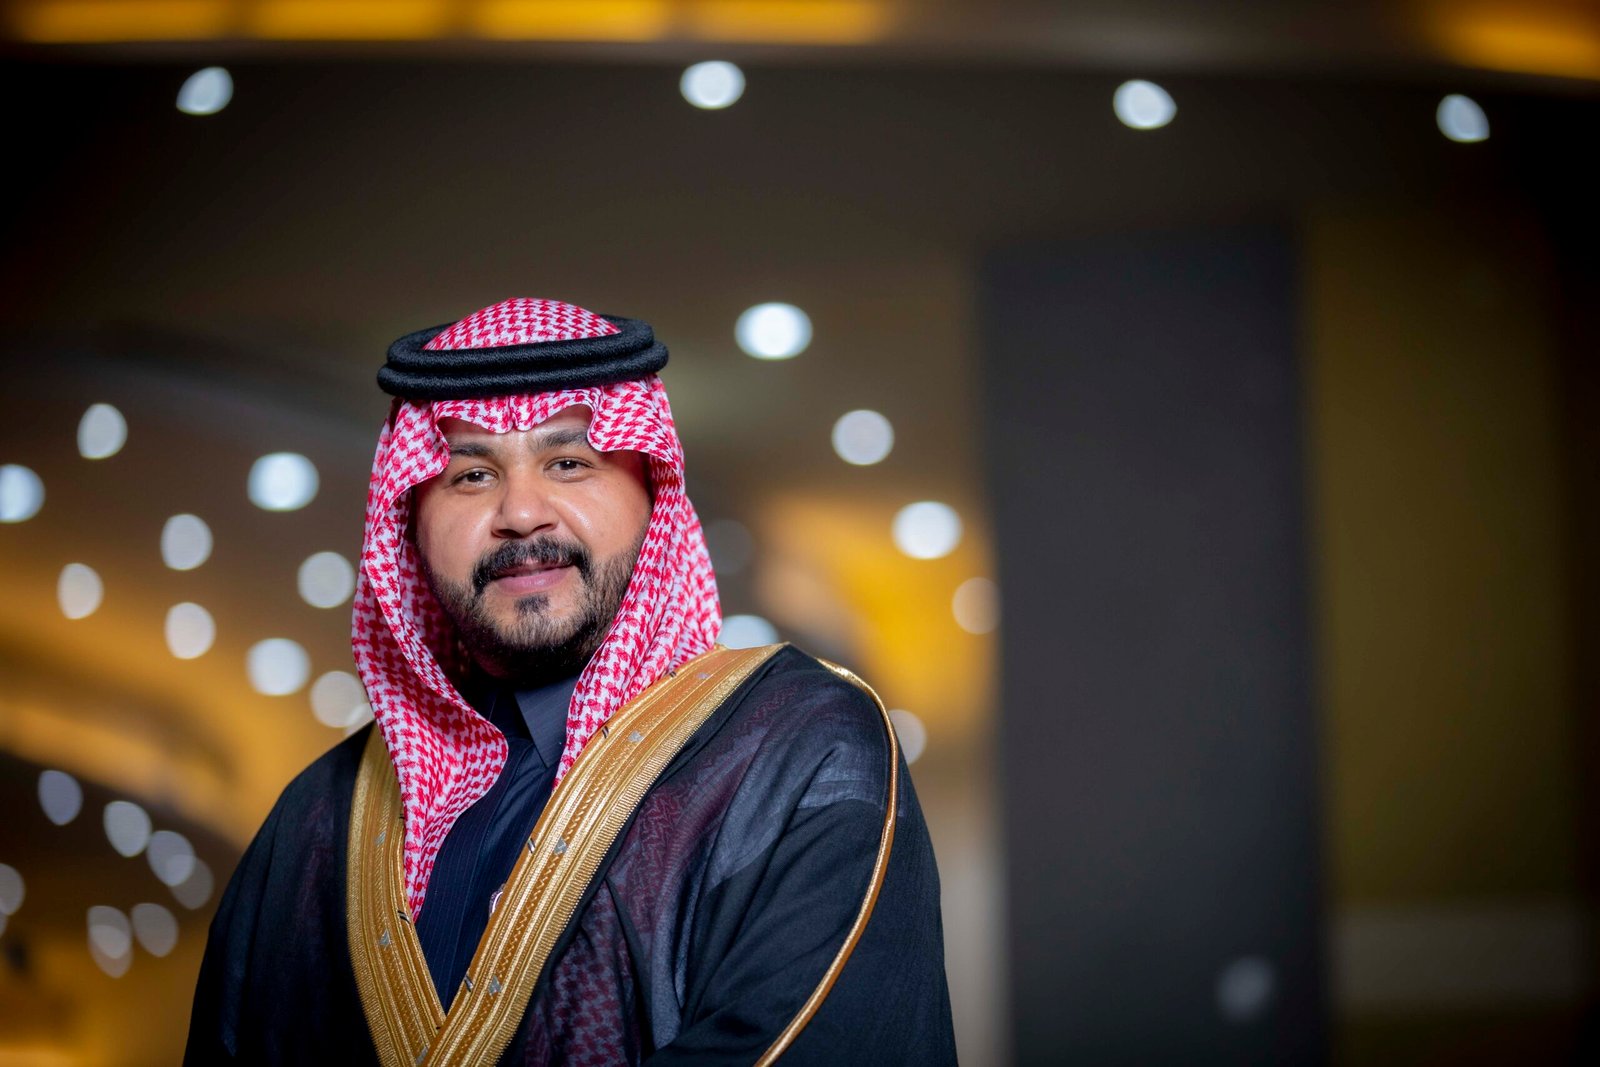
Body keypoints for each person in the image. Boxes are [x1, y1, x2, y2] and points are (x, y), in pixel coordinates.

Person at [184, 297, 956, 1065]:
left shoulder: (800, 751)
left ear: (653, 490)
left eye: (569, 463)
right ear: (410, 519)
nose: (522, 513)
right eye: (470, 474)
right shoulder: (316, 818)